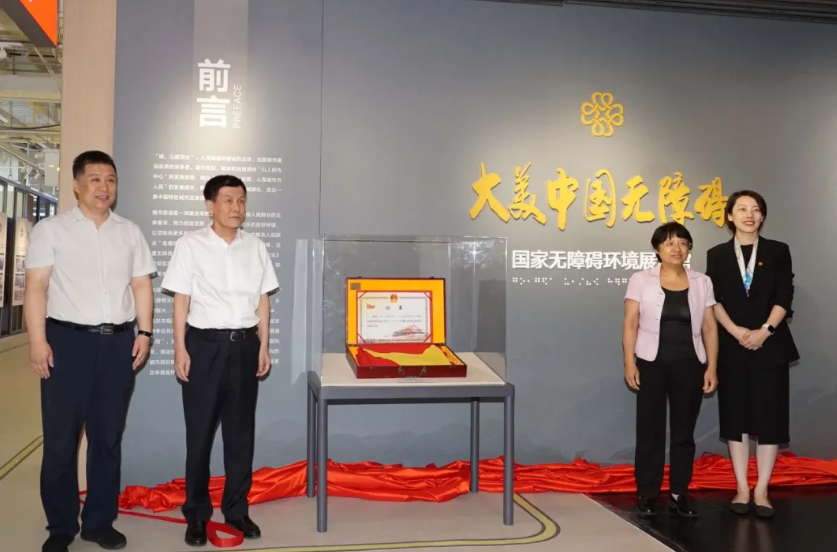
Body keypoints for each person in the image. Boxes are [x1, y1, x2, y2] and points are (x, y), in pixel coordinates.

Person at [24, 150, 156, 552]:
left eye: (110, 179)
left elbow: (141, 285)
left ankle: (99, 522)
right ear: (76, 185)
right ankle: (61, 527)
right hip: (67, 343)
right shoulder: (52, 230)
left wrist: (145, 332)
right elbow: (36, 288)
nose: (104, 187)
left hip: (118, 343)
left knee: (108, 438)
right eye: (95, 179)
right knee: (61, 441)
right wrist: (37, 340)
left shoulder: (129, 232)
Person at [161, 174, 279, 546]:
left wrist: (263, 344)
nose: (236, 208)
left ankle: (237, 510)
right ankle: (197, 515)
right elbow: (181, 300)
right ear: (210, 205)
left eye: (241, 200)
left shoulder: (256, 246)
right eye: (228, 200)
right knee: (199, 435)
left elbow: (263, 299)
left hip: (245, 345)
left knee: (240, 435)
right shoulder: (190, 244)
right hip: (204, 346)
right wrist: (180, 348)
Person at [705, 190, 799, 519]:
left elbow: (785, 295)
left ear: (762, 217)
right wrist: (735, 331)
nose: (749, 214)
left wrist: (765, 331)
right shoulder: (717, 254)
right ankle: (742, 488)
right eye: (742, 209)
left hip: (769, 346)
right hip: (732, 346)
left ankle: (762, 490)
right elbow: (713, 300)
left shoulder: (777, 250)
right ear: (730, 216)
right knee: (736, 418)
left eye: (756, 209)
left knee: (770, 418)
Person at [622, 221, 719, 518]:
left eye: (682, 242)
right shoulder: (641, 279)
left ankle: (679, 493)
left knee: (683, 432)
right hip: (651, 363)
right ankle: (647, 493)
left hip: (690, 364)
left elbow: (709, 327)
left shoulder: (702, 282)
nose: (676, 248)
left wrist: (712, 367)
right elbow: (631, 323)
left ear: (689, 248)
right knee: (649, 430)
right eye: (669, 243)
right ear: (657, 249)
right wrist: (629, 362)